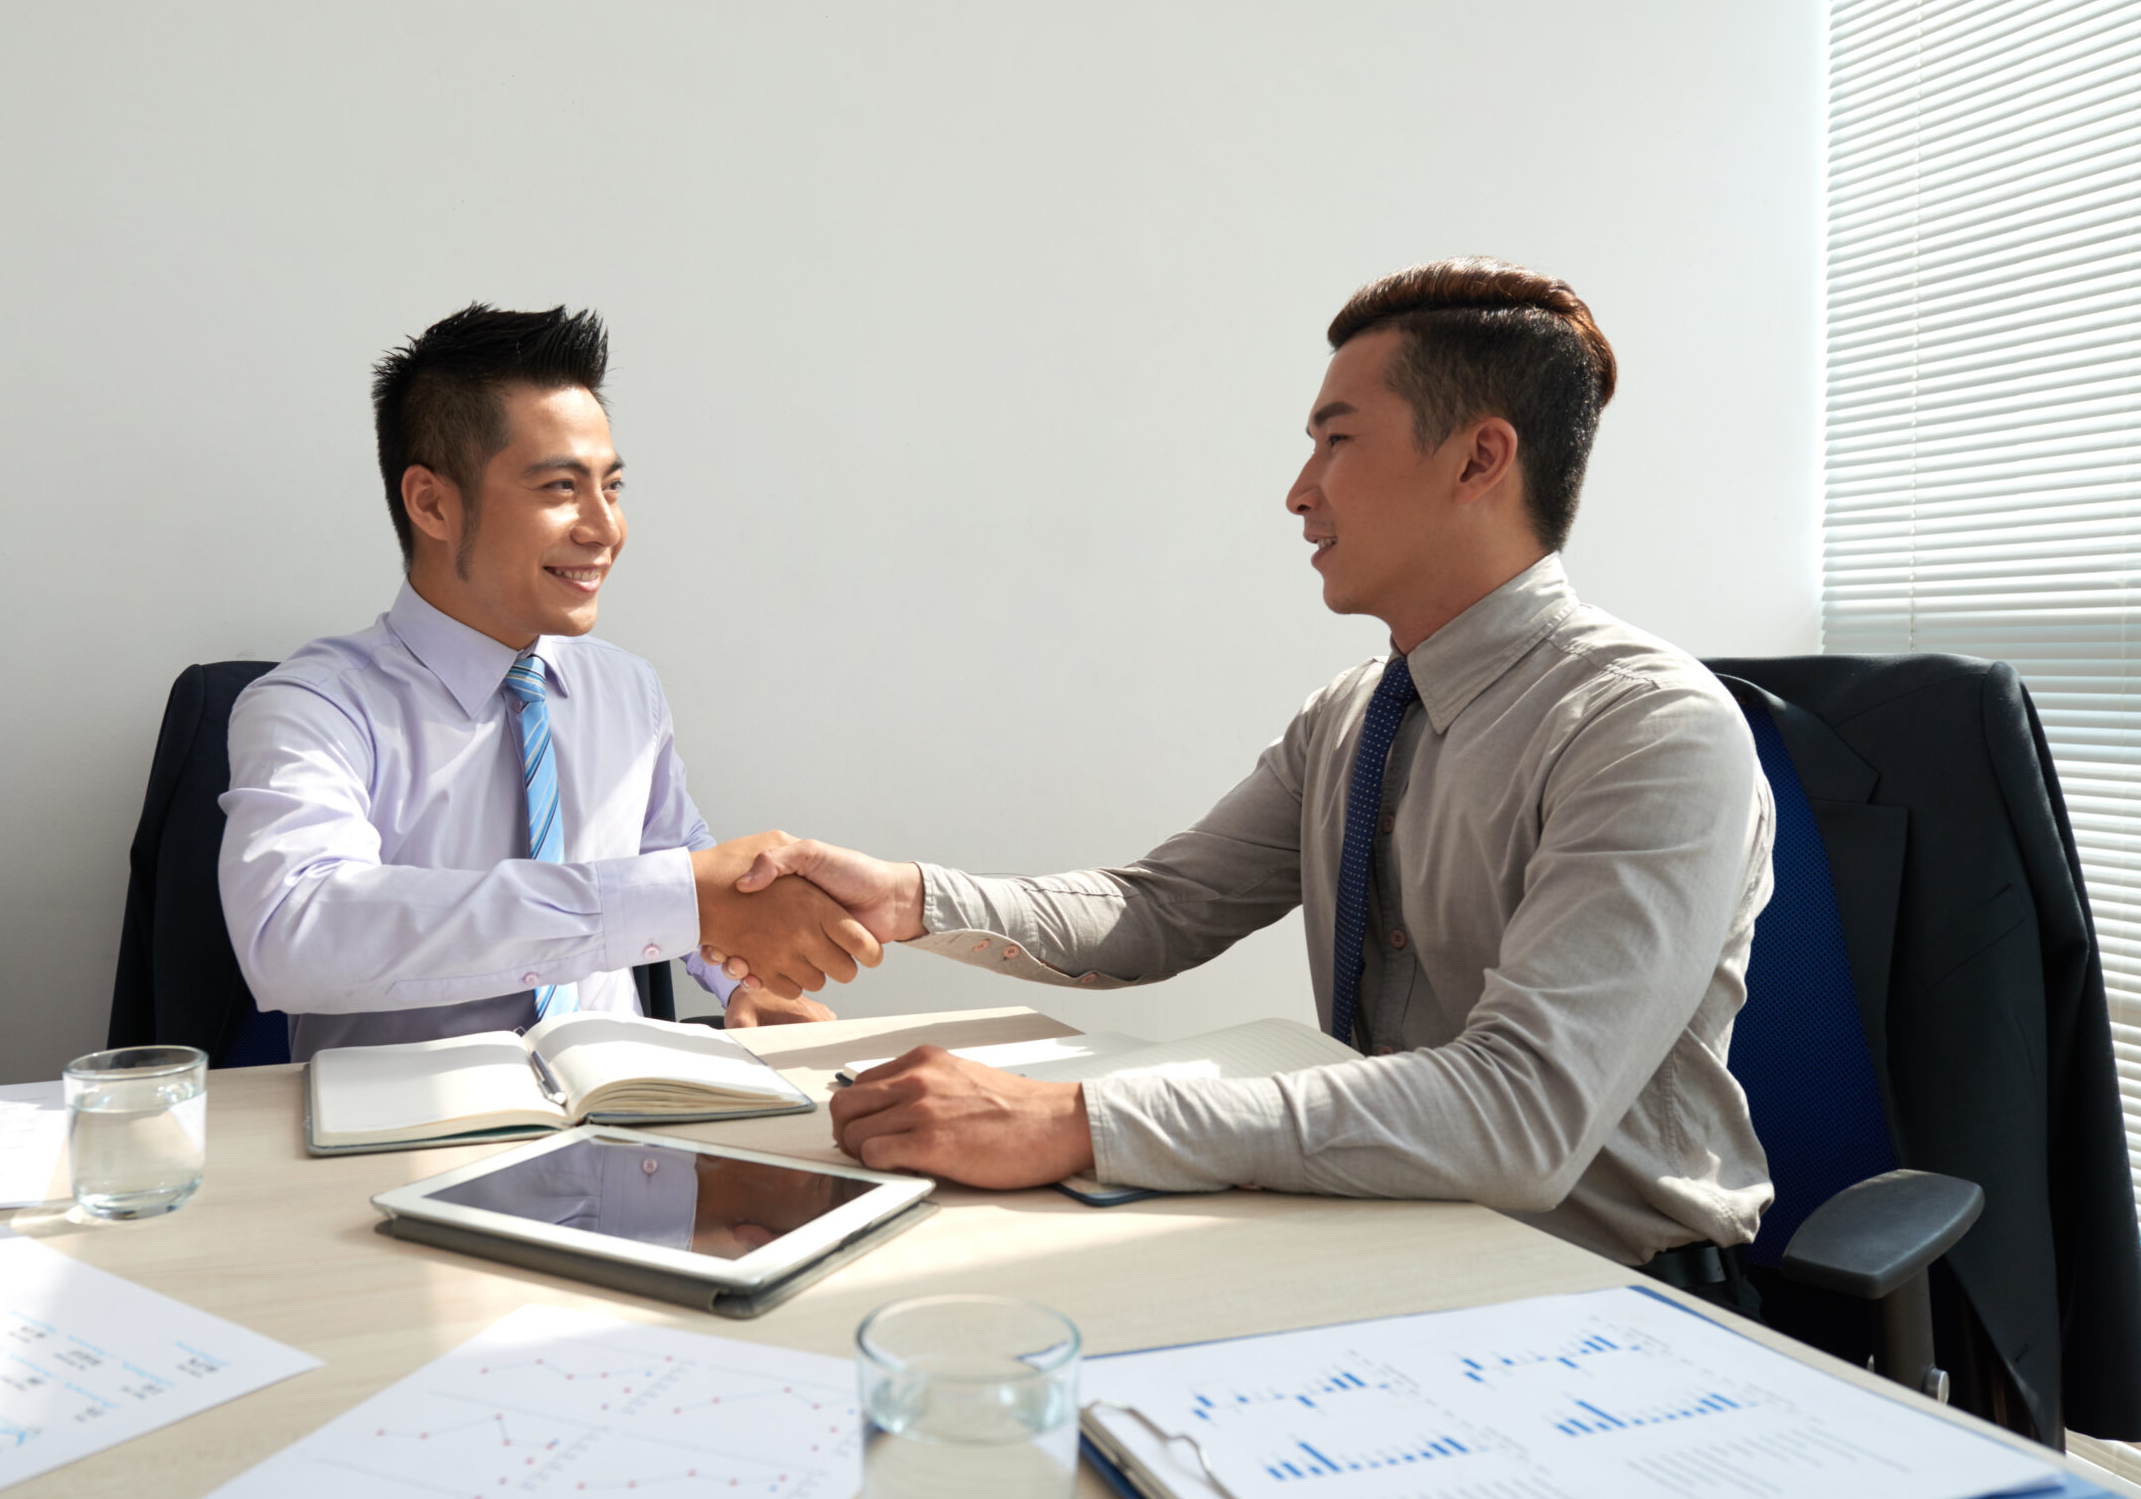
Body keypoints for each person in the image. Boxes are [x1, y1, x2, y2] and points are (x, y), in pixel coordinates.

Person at [706, 259, 1777, 1293]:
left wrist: (1073, 1120)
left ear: (1477, 459)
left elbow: (1519, 1113)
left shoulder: (1649, 729)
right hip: (1379, 1239)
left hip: (1604, 1289)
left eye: (1336, 441)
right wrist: (906, 897)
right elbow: (1156, 910)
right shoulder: (1353, 714)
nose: (1299, 492)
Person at [219, 302, 877, 1059]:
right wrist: (671, 900)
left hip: (627, 1115)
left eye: (613, 486)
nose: (605, 528)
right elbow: (294, 933)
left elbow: (679, 861)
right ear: (431, 502)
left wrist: (737, 976)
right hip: (402, 1139)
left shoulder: (627, 689)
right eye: (561, 488)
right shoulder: (311, 707)